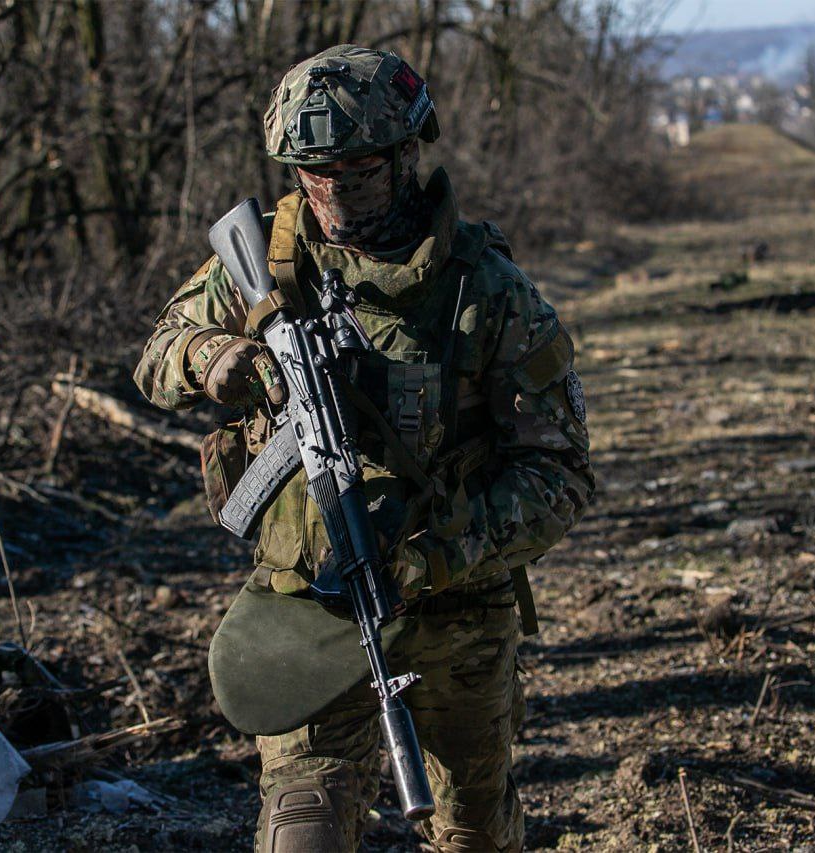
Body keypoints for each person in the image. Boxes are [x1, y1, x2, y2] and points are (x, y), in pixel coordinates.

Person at [134, 44, 593, 853]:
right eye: (313, 174)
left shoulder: (486, 291)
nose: (334, 193)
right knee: (300, 833)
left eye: (357, 170)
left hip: (455, 614)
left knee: (474, 835)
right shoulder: (264, 269)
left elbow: (558, 475)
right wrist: (217, 358)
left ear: (409, 152)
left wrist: (437, 558)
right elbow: (158, 351)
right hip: (307, 608)